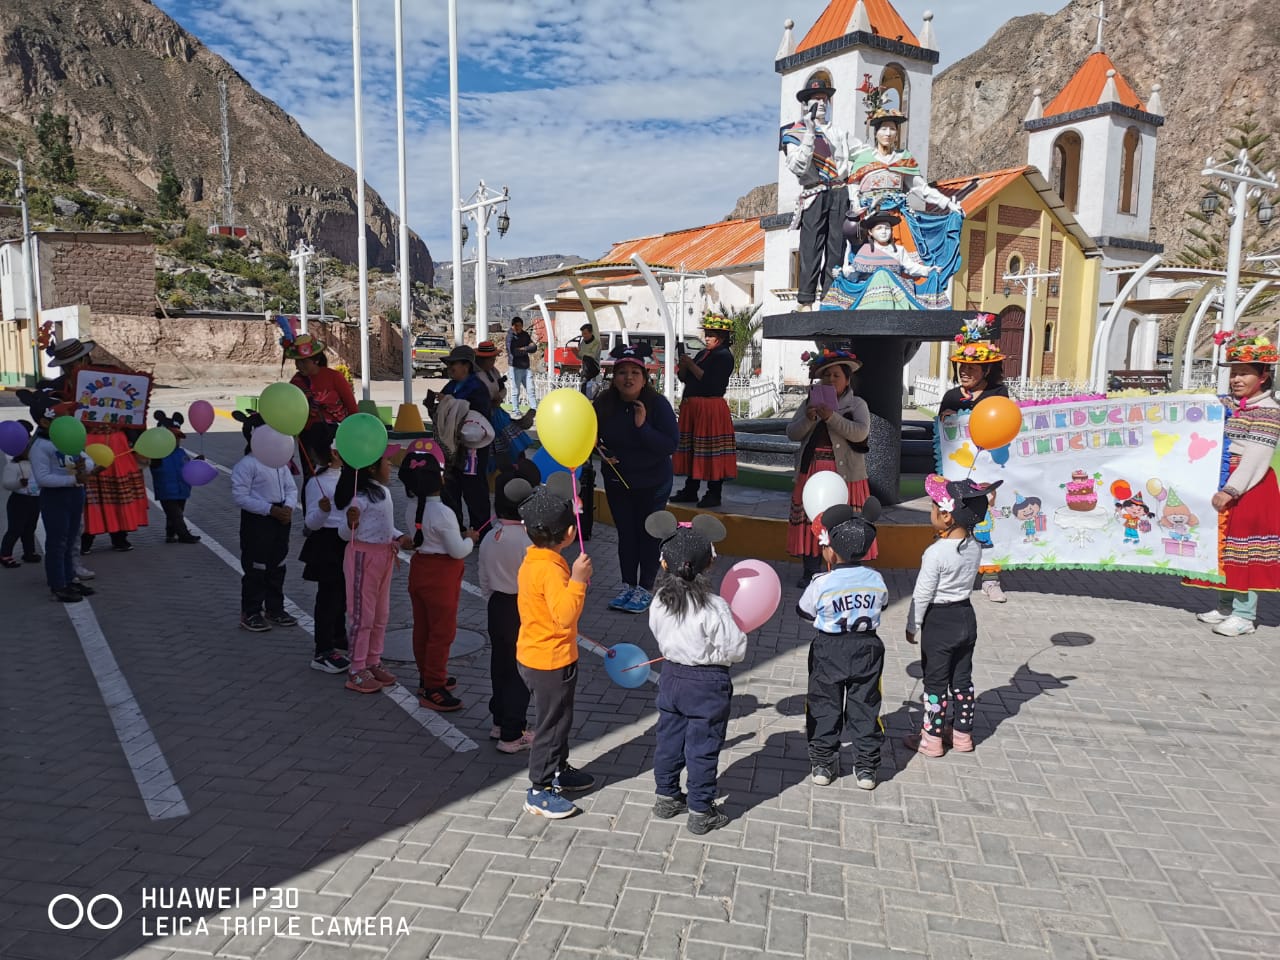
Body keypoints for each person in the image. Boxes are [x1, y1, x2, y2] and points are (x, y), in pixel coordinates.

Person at [646, 512, 745, 835]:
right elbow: (735, 648)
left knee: (669, 738)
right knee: (702, 746)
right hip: (707, 683)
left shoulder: (659, 600)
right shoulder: (715, 607)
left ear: (664, 564)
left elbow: (658, 634)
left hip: (671, 676)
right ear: (708, 566)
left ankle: (666, 796)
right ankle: (701, 810)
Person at [509, 473, 595, 819]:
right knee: (551, 724)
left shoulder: (535, 559)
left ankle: (559, 768)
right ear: (570, 534)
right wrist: (578, 581)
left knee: (558, 719)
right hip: (550, 661)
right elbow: (563, 616)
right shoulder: (554, 570)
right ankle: (539, 788)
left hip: (537, 655)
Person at [1184, 331, 1280, 636]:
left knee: (1244, 548)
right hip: (1222, 476)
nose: (1237, 379)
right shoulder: (1224, 404)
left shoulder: (1269, 410)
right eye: (1234, 374)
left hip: (1249, 485)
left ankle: (1244, 614)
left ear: (1263, 376)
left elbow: (1256, 454)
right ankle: (1225, 604)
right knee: (1221, 546)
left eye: (1244, 374)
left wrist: (1231, 489)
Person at [905, 475, 1002, 757]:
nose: (931, 511)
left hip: (939, 621)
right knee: (962, 680)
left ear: (946, 516)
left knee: (935, 683)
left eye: (934, 506)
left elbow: (922, 593)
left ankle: (931, 739)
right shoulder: (974, 546)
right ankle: (962, 735)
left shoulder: (935, 553)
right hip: (965, 616)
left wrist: (913, 624)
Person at [798, 502, 886, 789]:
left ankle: (823, 763)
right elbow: (881, 603)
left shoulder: (822, 582)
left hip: (829, 648)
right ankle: (866, 768)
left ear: (832, 551)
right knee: (865, 705)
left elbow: (804, 610)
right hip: (868, 648)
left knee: (824, 704)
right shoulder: (876, 579)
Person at [41, 338, 148, 555]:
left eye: (75, 361)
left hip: (115, 440)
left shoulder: (111, 375)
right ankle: (86, 536)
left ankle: (120, 535)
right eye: (67, 364)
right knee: (84, 488)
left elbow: (131, 409)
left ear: (85, 357)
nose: (72, 367)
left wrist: (138, 441)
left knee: (118, 490)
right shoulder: (58, 387)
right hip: (81, 441)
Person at [594, 343, 680, 614]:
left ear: (645, 378)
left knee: (648, 535)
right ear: (613, 377)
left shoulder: (657, 405)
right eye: (622, 373)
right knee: (626, 535)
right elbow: (589, 436)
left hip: (653, 483)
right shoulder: (603, 404)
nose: (628, 378)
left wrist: (643, 427)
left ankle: (645, 588)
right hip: (618, 481)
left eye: (634, 373)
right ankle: (628, 586)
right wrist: (599, 451)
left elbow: (670, 445)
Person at [400, 441, 478, 711]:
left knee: (422, 629)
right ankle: (434, 686)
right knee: (442, 633)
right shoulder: (443, 513)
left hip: (420, 569)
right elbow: (457, 551)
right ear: (438, 479)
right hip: (441, 577)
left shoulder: (413, 508)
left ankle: (427, 677)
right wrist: (470, 539)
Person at [937, 316, 1010, 603]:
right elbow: (942, 434)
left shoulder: (998, 395)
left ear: (987, 369)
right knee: (954, 522)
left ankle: (991, 578)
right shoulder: (952, 396)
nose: (965, 372)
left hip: (988, 471)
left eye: (972, 367)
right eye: (962, 367)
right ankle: (954, 576)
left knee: (987, 525)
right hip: (957, 471)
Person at [786, 348, 873, 587]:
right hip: (812, 471)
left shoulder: (857, 405)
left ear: (847, 379)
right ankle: (810, 569)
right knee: (811, 517)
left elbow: (860, 433)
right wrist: (810, 418)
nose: (831, 380)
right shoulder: (809, 404)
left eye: (836, 375)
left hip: (845, 474)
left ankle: (843, 568)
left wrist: (831, 417)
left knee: (841, 520)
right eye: (826, 376)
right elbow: (792, 433)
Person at [336, 453, 412, 694]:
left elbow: (384, 526)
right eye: (385, 461)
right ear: (371, 468)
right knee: (362, 615)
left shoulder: (383, 492)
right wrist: (350, 522)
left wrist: (398, 537)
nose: (389, 465)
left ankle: (373, 661)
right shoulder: (358, 499)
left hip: (384, 557)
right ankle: (356, 669)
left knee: (381, 614)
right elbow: (345, 535)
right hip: (363, 558)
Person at [780, 77, 858, 309]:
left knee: (837, 247)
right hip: (814, 192)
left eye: (825, 99)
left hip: (838, 191)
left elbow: (858, 156)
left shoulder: (839, 132)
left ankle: (830, 298)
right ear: (805, 104)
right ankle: (805, 300)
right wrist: (810, 133)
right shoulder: (794, 133)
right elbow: (797, 166)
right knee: (811, 247)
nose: (821, 104)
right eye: (816, 99)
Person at [479, 460, 540, 752]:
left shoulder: (491, 536)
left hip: (497, 606)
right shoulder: (529, 540)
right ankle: (513, 734)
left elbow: (483, 580)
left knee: (499, 666)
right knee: (520, 671)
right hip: (522, 608)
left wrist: (492, 600)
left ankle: (499, 721)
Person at [19, 389, 93, 602]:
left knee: (71, 539)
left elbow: (86, 459)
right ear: (44, 422)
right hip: (56, 498)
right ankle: (58, 584)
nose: (68, 420)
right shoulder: (41, 446)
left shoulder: (67, 439)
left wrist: (84, 467)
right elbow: (43, 478)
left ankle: (70, 579)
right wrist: (74, 479)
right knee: (57, 542)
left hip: (75, 495)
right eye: (61, 416)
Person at [231, 412, 300, 632]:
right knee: (256, 567)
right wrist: (270, 510)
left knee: (277, 565)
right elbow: (240, 497)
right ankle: (251, 611)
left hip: (281, 519)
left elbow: (291, 487)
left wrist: (288, 506)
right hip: (259, 522)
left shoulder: (281, 463)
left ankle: (275, 608)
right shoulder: (247, 464)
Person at [671, 314, 738, 509]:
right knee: (693, 449)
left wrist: (691, 365)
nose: (707, 338)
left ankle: (713, 492)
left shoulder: (724, 357)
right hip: (693, 408)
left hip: (710, 408)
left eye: (711, 335)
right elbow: (687, 378)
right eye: (706, 334)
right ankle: (690, 489)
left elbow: (711, 382)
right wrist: (683, 368)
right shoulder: (702, 354)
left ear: (722, 337)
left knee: (710, 451)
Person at [822, 210, 944, 311]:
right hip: (870, 296)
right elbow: (855, 275)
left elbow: (911, 267)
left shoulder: (899, 250)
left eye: (887, 228)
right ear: (870, 232)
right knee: (881, 274)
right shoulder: (865, 250)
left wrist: (929, 271)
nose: (884, 231)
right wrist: (843, 274)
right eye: (879, 228)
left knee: (883, 274)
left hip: (896, 294)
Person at [300, 433, 350, 674]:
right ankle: (322, 650)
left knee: (342, 596)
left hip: (344, 542)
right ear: (335, 453)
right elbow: (311, 523)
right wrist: (322, 512)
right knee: (329, 598)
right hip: (327, 544)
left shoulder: (345, 477)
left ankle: (338, 637)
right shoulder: (316, 483)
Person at [435, 344, 493, 534]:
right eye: (449, 364)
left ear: (466, 366)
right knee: (450, 489)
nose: (450, 368)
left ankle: (481, 530)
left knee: (474, 490)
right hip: (452, 449)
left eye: (454, 364)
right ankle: (455, 529)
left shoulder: (477, 388)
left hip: (472, 450)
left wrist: (448, 403)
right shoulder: (451, 385)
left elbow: (477, 416)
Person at [285, 334, 358, 473]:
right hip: (307, 437)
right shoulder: (296, 382)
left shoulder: (334, 377)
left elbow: (351, 407)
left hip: (334, 436)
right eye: (297, 361)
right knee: (311, 476)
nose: (299, 365)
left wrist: (355, 433)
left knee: (335, 475)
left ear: (316, 360)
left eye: (304, 362)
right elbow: (291, 410)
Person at [474, 340, 533, 469]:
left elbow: (502, 389)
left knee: (512, 447)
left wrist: (499, 396)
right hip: (486, 416)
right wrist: (493, 398)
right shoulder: (476, 376)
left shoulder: (493, 372)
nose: (493, 362)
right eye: (491, 360)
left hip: (498, 414)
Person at [148, 411, 201, 544]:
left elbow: (187, 467)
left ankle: (170, 534)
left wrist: (196, 462)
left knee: (176, 514)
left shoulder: (181, 452)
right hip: (166, 491)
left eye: (178, 437)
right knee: (176, 515)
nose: (176, 440)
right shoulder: (157, 454)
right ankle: (184, 535)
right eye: (173, 437)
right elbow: (152, 466)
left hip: (182, 490)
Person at [1, 421, 40, 568]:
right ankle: (5, 554)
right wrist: (18, 483)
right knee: (15, 529)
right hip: (19, 500)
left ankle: (29, 552)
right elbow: (6, 483)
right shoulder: (13, 466)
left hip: (35, 499)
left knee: (30, 528)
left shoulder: (35, 463)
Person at [505, 317, 537, 414]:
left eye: (520, 326)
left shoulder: (525, 335)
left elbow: (534, 347)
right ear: (513, 326)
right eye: (516, 326)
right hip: (515, 367)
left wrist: (523, 349)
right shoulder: (510, 337)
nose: (518, 328)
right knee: (515, 390)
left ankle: (534, 409)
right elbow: (513, 352)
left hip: (526, 367)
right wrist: (525, 349)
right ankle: (516, 410)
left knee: (531, 389)